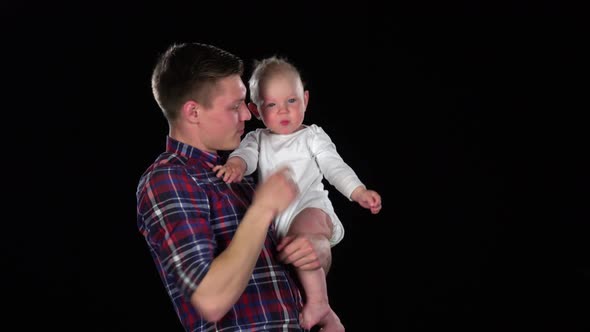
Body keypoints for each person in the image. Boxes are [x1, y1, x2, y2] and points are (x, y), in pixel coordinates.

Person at [136, 42, 334, 331]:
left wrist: (319, 249)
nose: (247, 115)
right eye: (235, 106)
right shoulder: (167, 179)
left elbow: (290, 266)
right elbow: (210, 300)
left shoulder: (238, 178)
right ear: (193, 112)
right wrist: (264, 208)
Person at [212, 56, 382, 331]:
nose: (284, 112)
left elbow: (333, 165)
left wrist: (357, 191)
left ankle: (319, 302)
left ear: (305, 99)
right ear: (256, 109)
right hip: (278, 219)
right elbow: (246, 157)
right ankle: (328, 317)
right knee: (291, 255)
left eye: (291, 101)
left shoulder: (312, 136)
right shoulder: (256, 139)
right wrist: (235, 165)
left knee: (305, 238)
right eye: (272, 105)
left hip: (310, 206)